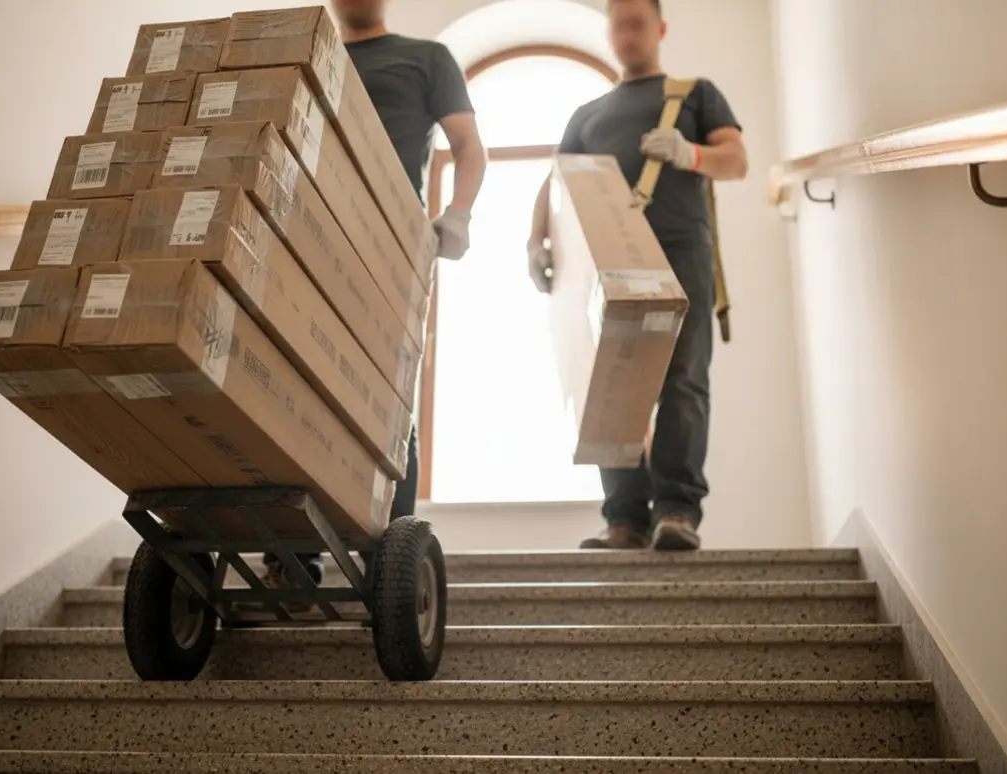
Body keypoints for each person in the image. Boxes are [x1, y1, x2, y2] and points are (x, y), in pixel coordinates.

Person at [264, 0, 487, 601]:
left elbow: (468, 144)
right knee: (292, 386)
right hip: (307, 236)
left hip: (391, 247)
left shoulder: (426, 58)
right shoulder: (310, 57)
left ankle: (391, 561)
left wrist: (459, 213)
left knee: (390, 405)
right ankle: (292, 557)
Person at [527, 0, 747, 552]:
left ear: (660, 29)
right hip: (605, 261)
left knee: (682, 378)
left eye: (636, 24)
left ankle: (676, 511)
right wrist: (536, 241)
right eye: (618, 25)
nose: (626, 34)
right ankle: (624, 519)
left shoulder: (693, 93)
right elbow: (557, 183)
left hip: (679, 250)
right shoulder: (588, 114)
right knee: (612, 383)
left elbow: (736, 160)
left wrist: (689, 153)